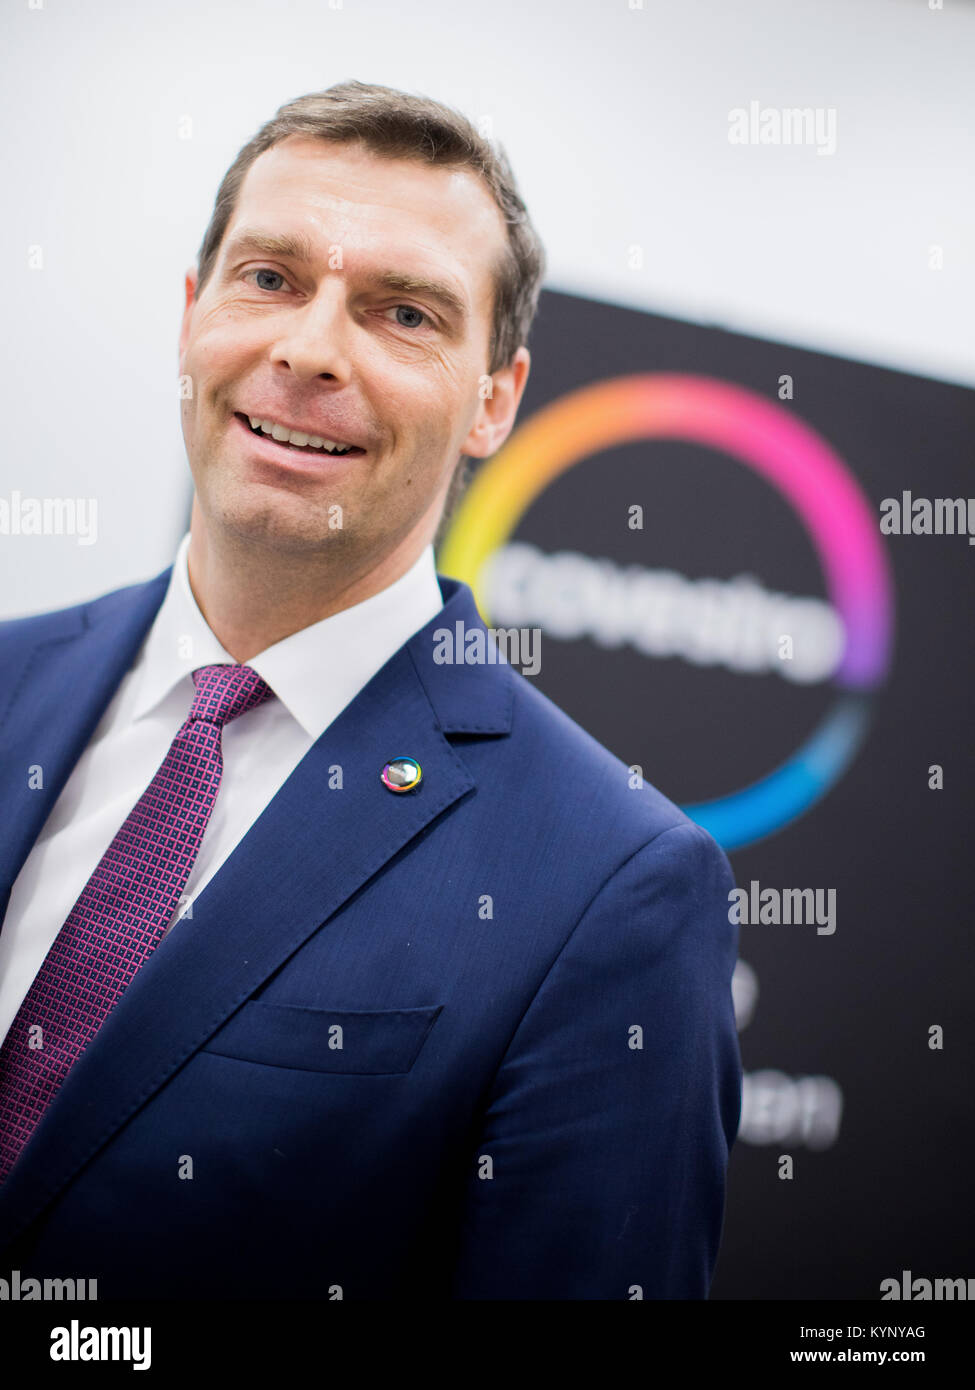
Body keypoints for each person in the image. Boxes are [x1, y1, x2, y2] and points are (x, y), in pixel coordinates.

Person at [0, 80, 740, 1300]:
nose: (307, 350)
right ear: (192, 317)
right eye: (271, 278)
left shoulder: (615, 889)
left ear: (494, 400)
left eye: (402, 312)